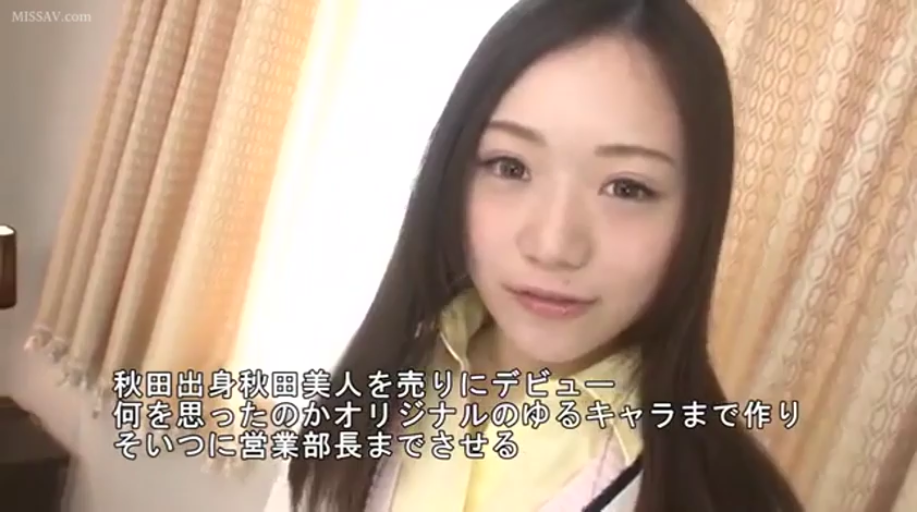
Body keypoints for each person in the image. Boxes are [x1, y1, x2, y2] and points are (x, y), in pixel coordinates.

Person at [267, 0, 805, 510]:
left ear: (697, 214)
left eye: (627, 188)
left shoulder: (731, 498)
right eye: (510, 167)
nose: (553, 246)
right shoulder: (371, 385)